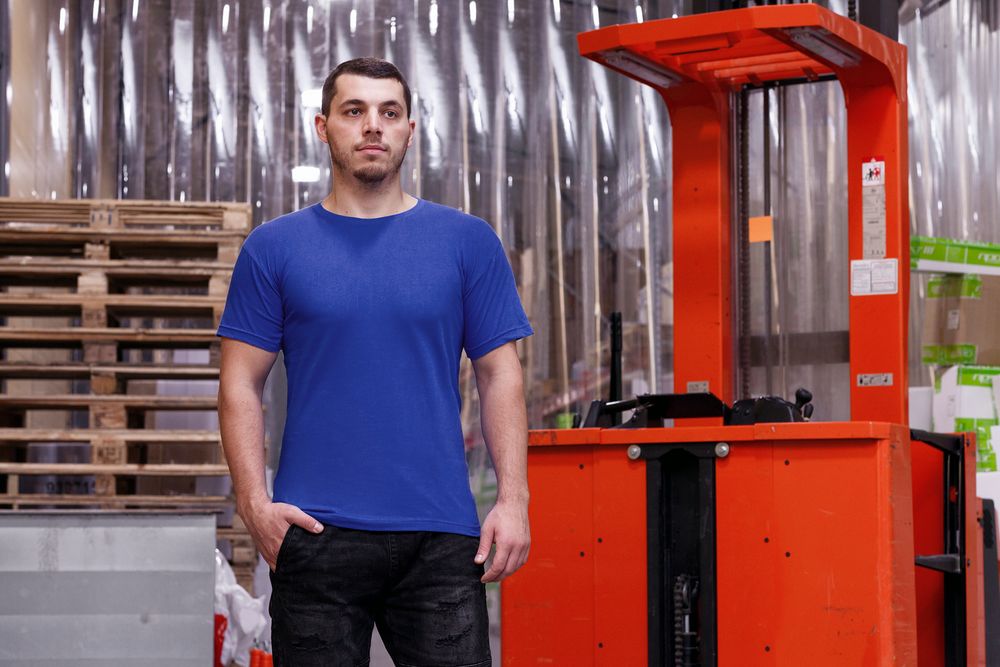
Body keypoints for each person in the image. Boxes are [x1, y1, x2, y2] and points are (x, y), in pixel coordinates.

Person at [217, 57, 533, 667]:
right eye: (354, 110)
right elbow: (239, 384)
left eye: (389, 112)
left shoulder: (468, 242)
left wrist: (513, 499)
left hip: (440, 538)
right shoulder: (273, 248)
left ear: (409, 130)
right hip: (314, 534)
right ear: (323, 126)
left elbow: (500, 373)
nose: (372, 126)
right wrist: (254, 505)